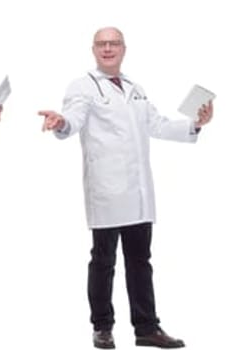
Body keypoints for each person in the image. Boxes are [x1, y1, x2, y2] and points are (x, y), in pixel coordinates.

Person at [35, 26, 206, 350]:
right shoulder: (82, 86)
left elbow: (156, 124)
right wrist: (61, 123)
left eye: (114, 43)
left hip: (139, 191)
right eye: (102, 44)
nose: (108, 48)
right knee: (103, 261)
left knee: (141, 260)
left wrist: (195, 124)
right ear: (93, 49)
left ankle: (146, 328)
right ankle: (102, 328)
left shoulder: (135, 88)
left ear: (124, 48)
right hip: (107, 191)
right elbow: (73, 118)